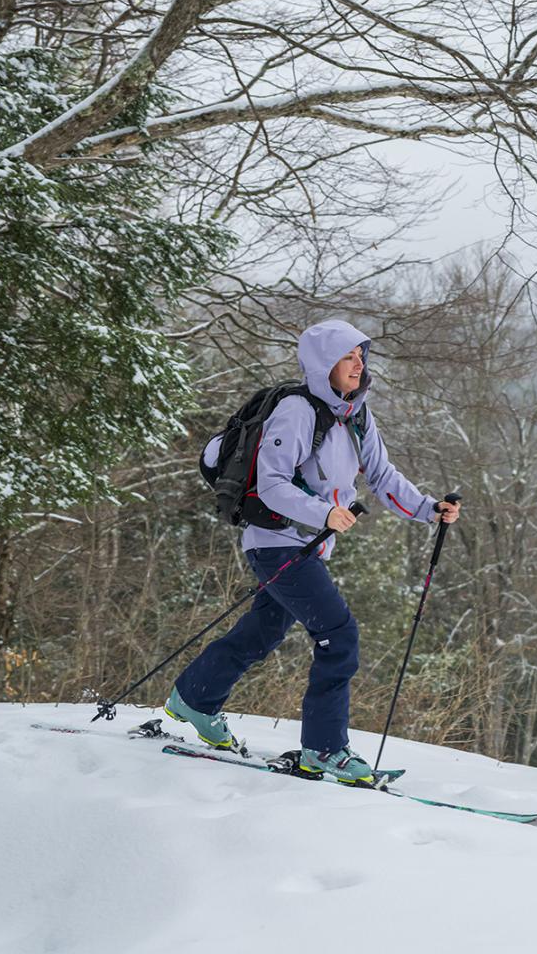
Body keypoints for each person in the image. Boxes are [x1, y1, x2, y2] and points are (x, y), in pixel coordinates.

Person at [164, 319, 459, 784]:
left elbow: (382, 477)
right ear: (324, 365)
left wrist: (429, 509)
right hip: (276, 542)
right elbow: (271, 484)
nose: (358, 363)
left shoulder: (357, 415)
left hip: (308, 548)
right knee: (338, 635)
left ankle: (194, 698)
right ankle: (324, 749)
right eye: (348, 356)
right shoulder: (298, 412)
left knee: (260, 632)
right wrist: (322, 513)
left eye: (361, 355)